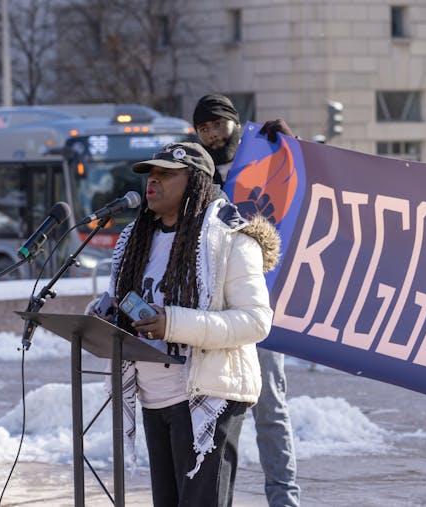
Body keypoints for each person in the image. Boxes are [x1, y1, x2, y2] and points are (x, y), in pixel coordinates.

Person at [104, 141, 280, 506]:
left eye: (165, 174)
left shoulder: (232, 239)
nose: (152, 182)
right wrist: (106, 314)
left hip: (207, 396)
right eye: (150, 175)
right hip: (155, 398)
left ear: (197, 182)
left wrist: (173, 323)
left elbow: (256, 321)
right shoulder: (138, 239)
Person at [193, 94, 301, 507]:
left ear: (235, 123)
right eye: (203, 129)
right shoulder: (197, 172)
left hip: (261, 304)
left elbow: (306, 187)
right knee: (217, 414)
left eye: (217, 125)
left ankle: (284, 499)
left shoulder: (264, 158)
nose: (212, 135)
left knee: (271, 410)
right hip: (217, 310)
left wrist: (291, 145)